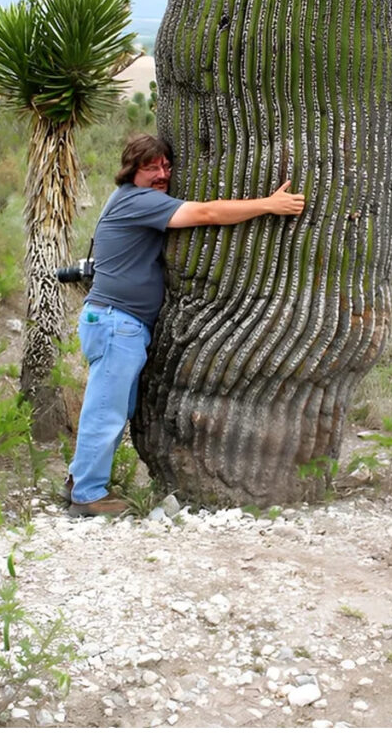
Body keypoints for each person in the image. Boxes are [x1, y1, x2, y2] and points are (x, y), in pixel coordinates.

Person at [64, 134, 305, 516]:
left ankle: (82, 481)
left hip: (118, 323)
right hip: (116, 322)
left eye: (165, 166)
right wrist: (270, 205)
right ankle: (88, 496)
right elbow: (206, 214)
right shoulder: (137, 200)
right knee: (106, 410)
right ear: (131, 171)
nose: (161, 174)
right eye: (150, 167)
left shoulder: (136, 201)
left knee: (111, 408)